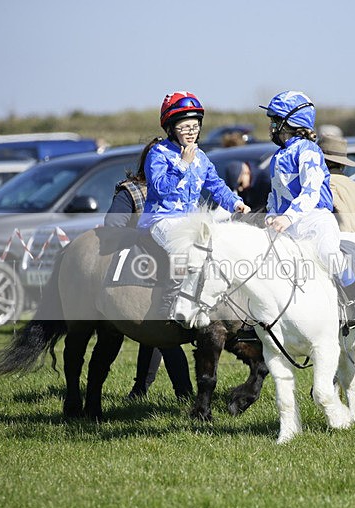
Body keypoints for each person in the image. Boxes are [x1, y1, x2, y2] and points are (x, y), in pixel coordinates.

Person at [260, 90, 355, 332]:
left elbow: (310, 193)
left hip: (314, 220)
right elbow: (275, 195)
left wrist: (288, 217)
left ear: (290, 123)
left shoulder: (308, 151)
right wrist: (271, 216)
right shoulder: (278, 157)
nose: (271, 127)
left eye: (275, 121)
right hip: (286, 224)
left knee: (329, 253)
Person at [136, 91, 250, 318]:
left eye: (195, 126)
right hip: (161, 219)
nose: (191, 132)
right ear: (170, 128)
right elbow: (159, 188)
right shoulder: (158, 153)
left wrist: (235, 202)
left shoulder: (202, 157)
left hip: (189, 220)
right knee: (185, 250)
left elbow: (216, 185)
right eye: (185, 127)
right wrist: (182, 165)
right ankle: (168, 307)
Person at [105, 141, 193, 400]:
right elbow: (113, 224)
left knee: (158, 333)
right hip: (143, 269)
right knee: (159, 332)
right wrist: (147, 235)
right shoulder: (130, 191)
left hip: (178, 269)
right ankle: (179, 394)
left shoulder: (183, 186)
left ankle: (146, 390)